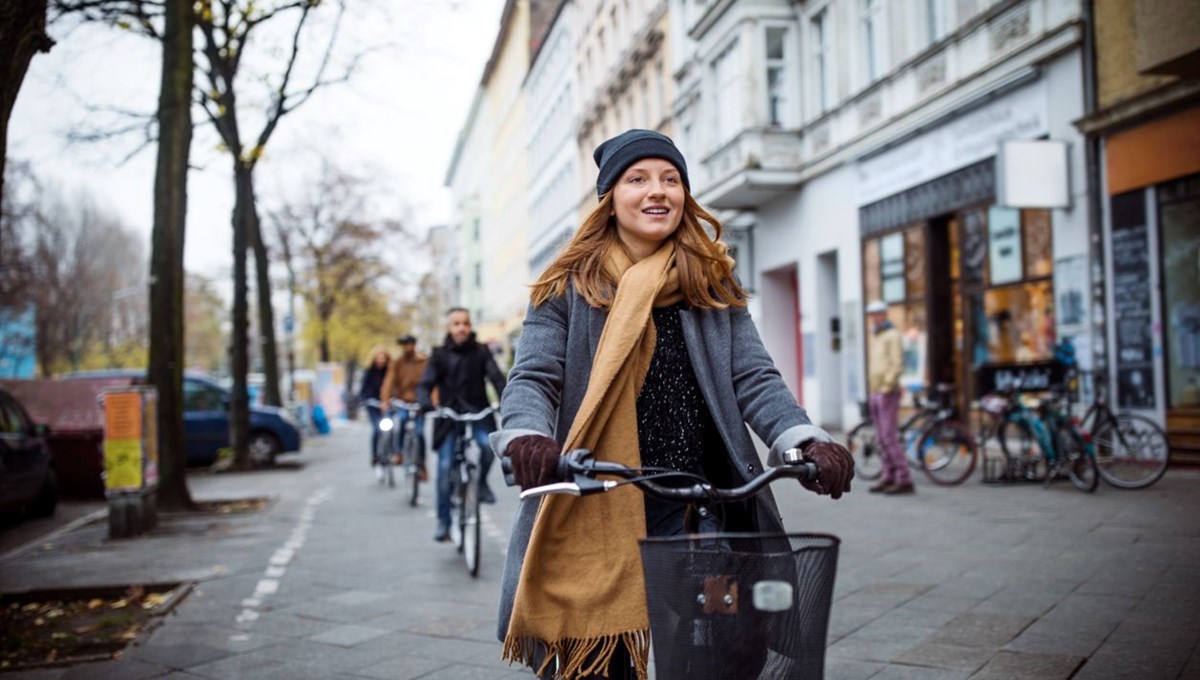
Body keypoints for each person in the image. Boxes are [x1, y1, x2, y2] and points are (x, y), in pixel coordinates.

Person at [490, 129, 855, 679]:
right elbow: (534, 378)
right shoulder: (567, 286)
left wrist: (804, 439)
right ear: (610, 197)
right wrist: (527, 435)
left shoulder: (708, 280)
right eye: (638, 179)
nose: (657, 191)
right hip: (602, 494)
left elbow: (753, 375)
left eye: (671, 179)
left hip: (702, 502)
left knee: (730, 654)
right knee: (603, 663)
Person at [417, 308, 507, 542]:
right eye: (456, 323)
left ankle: (482, 483)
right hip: (448, 417)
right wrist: (425, 402)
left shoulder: (481, 351)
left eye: (465, 323)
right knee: (445, 466)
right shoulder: (438, 354)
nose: (461, 328)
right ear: (449, 327)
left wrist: (507, 400)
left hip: (478, 413)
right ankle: (443, 521)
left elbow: (496, 378)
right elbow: (426, 383)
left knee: (487, 448)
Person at [865, 300, 912, 495]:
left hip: (886, 392)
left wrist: (886, 386)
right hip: (876, 390)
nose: (875, 318)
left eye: (878, 314)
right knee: (882, 438)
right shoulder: (877, 335)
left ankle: (904, 478)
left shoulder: (892, 335)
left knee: (889, 437)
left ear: (885, 314)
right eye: (872, 315)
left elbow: (896, 364)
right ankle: (888, 476)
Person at [381, 334, 429, 477]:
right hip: (403, 402)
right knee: (401, 421)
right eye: (405, 344)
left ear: (414, 345)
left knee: (419, 433)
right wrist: (385, 400)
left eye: (410, 343)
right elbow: (388, 382)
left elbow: (431, 383)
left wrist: (433, 400)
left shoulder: (423, 361)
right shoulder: (397, 363)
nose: (407, 346)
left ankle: (421, 464)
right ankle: (400, 452)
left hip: (420, 403)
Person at [359, 346, 391, 476]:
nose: (381, 359)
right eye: (379, 356)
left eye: (383, 357)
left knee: (392, 428)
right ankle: (375, 457)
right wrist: (365, 400)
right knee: (377, 430)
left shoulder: (390, 371)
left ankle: (393, 452)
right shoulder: (369, 372)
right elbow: (364, 390)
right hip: (373, 406)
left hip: (387, 405)